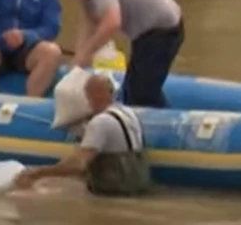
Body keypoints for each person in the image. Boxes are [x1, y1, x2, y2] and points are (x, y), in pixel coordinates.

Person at [54, 0, 184, 108]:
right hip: (144, 35)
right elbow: (88, 25)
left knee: (142, 91)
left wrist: (87, 51)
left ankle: (163, 120)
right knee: (131, 90)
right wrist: (78, 60)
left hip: (163, 30)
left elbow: (112, 23)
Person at [14, 74, 152, 196]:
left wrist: (36, 173)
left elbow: (77, 165)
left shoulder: (100, 123)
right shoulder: (129, 113)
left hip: (112, 192)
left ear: (91, 95)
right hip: (138, 185)